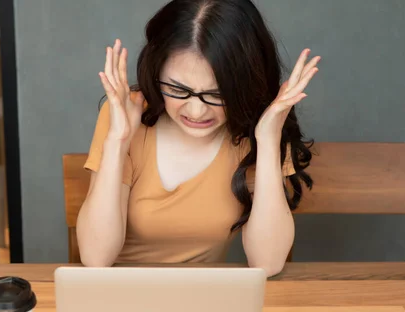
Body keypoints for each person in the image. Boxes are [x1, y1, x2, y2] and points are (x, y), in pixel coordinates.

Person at [76, 0, 318, 277]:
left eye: (217, 94)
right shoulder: (125, 112)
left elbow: (268, 262)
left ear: (246, 85)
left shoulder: (263, 125)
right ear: (156, 73)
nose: (196, 110)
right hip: (115, 294)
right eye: (178, 90)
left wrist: (267, 141)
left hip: (202, 300)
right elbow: (96, 257)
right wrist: (118, 140)